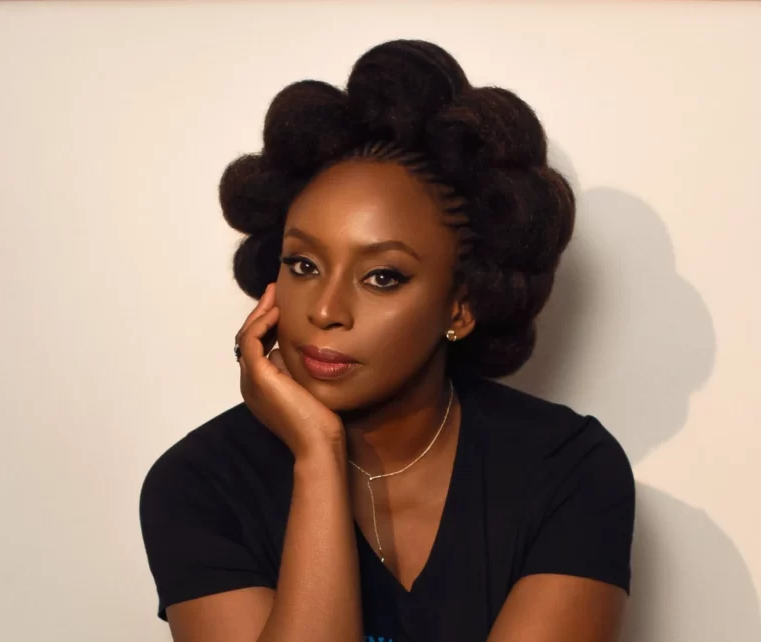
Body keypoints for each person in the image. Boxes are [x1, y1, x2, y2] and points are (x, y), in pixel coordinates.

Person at [139, 39, 635, 642]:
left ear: (461, 305)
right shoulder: (200, 484)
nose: (325, 310)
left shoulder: (566, 470)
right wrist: (318, 457)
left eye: (382, 277)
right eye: (302, 265)